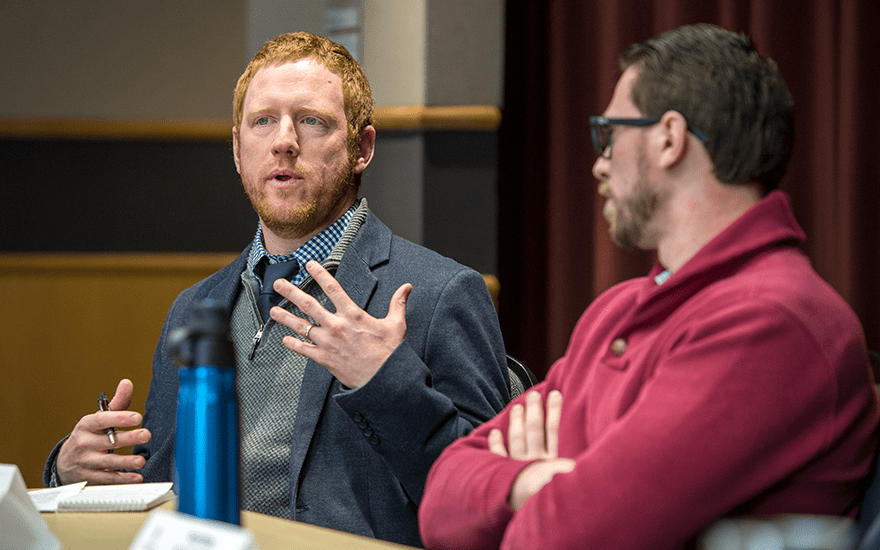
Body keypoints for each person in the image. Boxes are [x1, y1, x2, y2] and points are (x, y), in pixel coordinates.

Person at [417, 23, 879, 550]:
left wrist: (533, 495)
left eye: (610, 134)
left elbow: (566, 538)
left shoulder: (775, 319)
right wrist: (534, 480)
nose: (598, 162)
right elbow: (440, 507)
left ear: (669, 138)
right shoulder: (617, 308)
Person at [43, 32, 510, 547]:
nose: (284, 140)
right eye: (263, 121)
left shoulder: (439, 294)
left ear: (362, 149)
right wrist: (74, 469)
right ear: (239, 152)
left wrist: (384, 381)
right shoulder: (194, 308)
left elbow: (487, 504)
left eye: (311, 120)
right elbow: (159, 486)